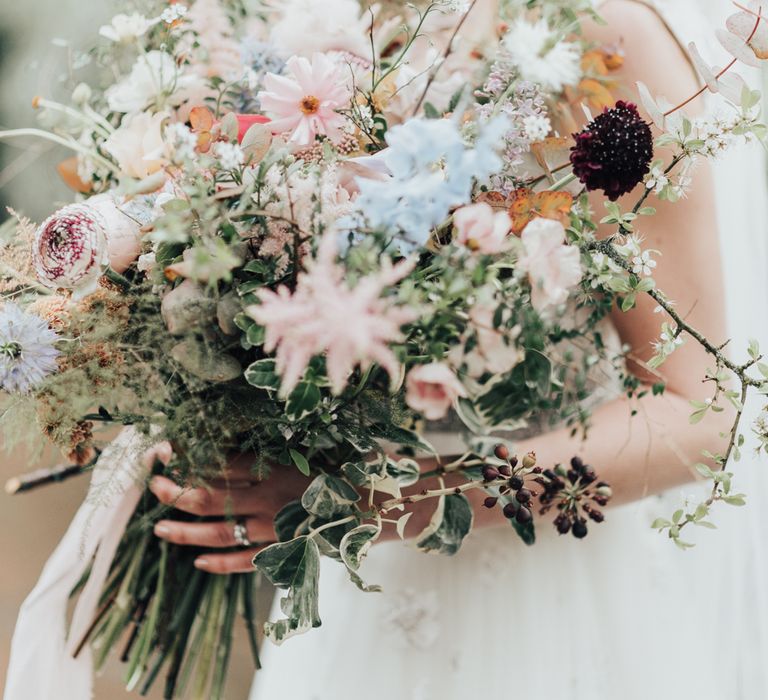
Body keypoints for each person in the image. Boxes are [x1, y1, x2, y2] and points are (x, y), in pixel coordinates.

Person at [149, 1, 768, 697]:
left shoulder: (597, 32)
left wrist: (371, 507)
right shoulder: (310, 25)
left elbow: (699, 417)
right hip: (362, 607)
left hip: (547, 607)